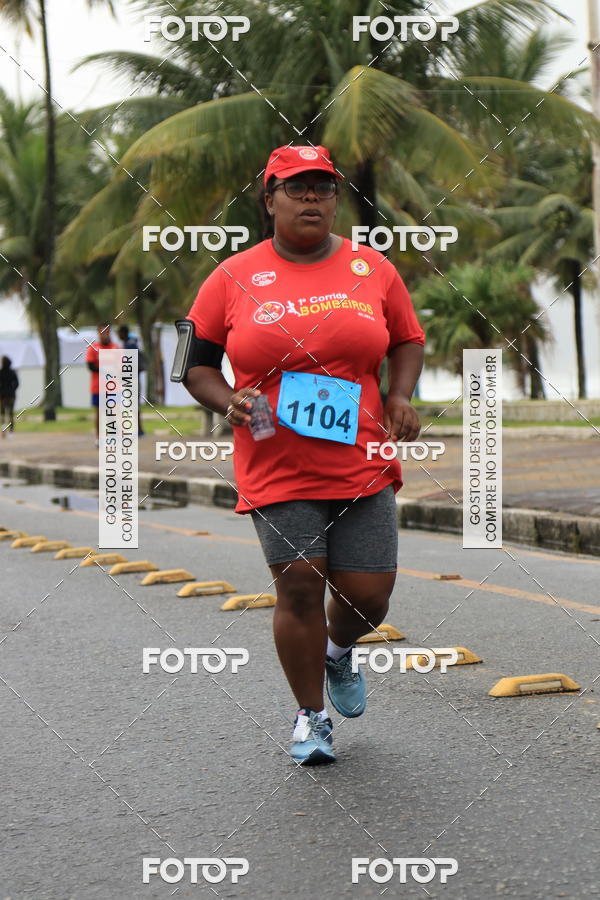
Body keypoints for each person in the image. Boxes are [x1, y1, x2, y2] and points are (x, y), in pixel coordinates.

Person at [180, 145, 425, 765]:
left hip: (360, 453)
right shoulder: (232, 276)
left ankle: (339, 652)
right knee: (297, 585)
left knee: (369, 597)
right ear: (270, 200)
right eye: (296, 188)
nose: (312, 198)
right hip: (273, 452)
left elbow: (407, 339)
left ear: (336, 199)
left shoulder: (372, 270)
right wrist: (229, 399)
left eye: (323, 188)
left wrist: (399, 395)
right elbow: (195, 364)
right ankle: (311, 718)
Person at [86, 324, 118, 446]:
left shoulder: (115, 348)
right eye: (102, 332)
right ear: (98, 333)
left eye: (107, 332)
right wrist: (105, 369)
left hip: (113, 387)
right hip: (98, 387)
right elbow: (90, 366)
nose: (105, 335)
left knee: (113, 413)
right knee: (99, 413)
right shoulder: (93, 348)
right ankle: (98, 438)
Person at [117, 323, 145, 436]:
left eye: (119, 334)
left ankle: (138, 430)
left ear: (123, 333)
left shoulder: (129, 345)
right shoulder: (130, 343)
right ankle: (137, 429)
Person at [0, 356, 19, 437]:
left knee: (2, 413)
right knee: (11, 414)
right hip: (11, 395)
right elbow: (17, 383)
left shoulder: (0, 372)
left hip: (2, 395)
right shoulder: (12, 372)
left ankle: (3, 430)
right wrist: (12, 389)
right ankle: (11, 431)